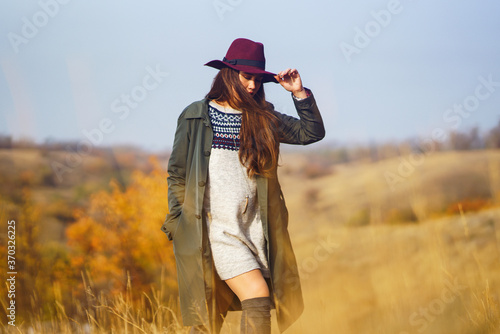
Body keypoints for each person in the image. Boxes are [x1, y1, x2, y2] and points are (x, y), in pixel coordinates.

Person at [161, 38, 325, 334]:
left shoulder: (263, 118)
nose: (252, 85)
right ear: (228, 74)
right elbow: (177, 174)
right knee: (257, 295)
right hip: (216, 230)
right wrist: (177, 223)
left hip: (255, 229)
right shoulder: (196, 116)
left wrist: (299, 93)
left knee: (209, 319)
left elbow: (309, 132)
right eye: (246, 77)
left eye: (257, 80)